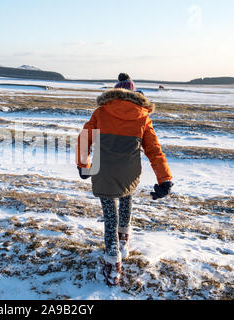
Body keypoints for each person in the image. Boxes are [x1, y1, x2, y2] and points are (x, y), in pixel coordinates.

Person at [76, 73, 173, 286]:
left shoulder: (101, 112)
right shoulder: (143, 116)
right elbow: (154, 150)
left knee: (110, 215)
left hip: (103, 171)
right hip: (129, 171)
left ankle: (113, 266)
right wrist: (164, 178)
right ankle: (123, 243)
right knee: (127, 198)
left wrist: (83, 165)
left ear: (115, 92)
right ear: (133, 93)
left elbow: (84, 138)